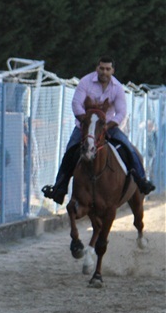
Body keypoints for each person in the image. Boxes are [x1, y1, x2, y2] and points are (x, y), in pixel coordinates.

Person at [42, 56, 155, 203]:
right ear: (97, 68)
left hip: (108, 126)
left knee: (128, 148)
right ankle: (59, 188)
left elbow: (121, 112)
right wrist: (87, 122)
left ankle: (141, 181)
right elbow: (76, 104)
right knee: (70, 150)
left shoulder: (118, 88)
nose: (104, 72)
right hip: (85, 125)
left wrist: (106, 126)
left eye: (108, 69)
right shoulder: (85, 82)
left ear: (113, 70)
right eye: (102, 68)